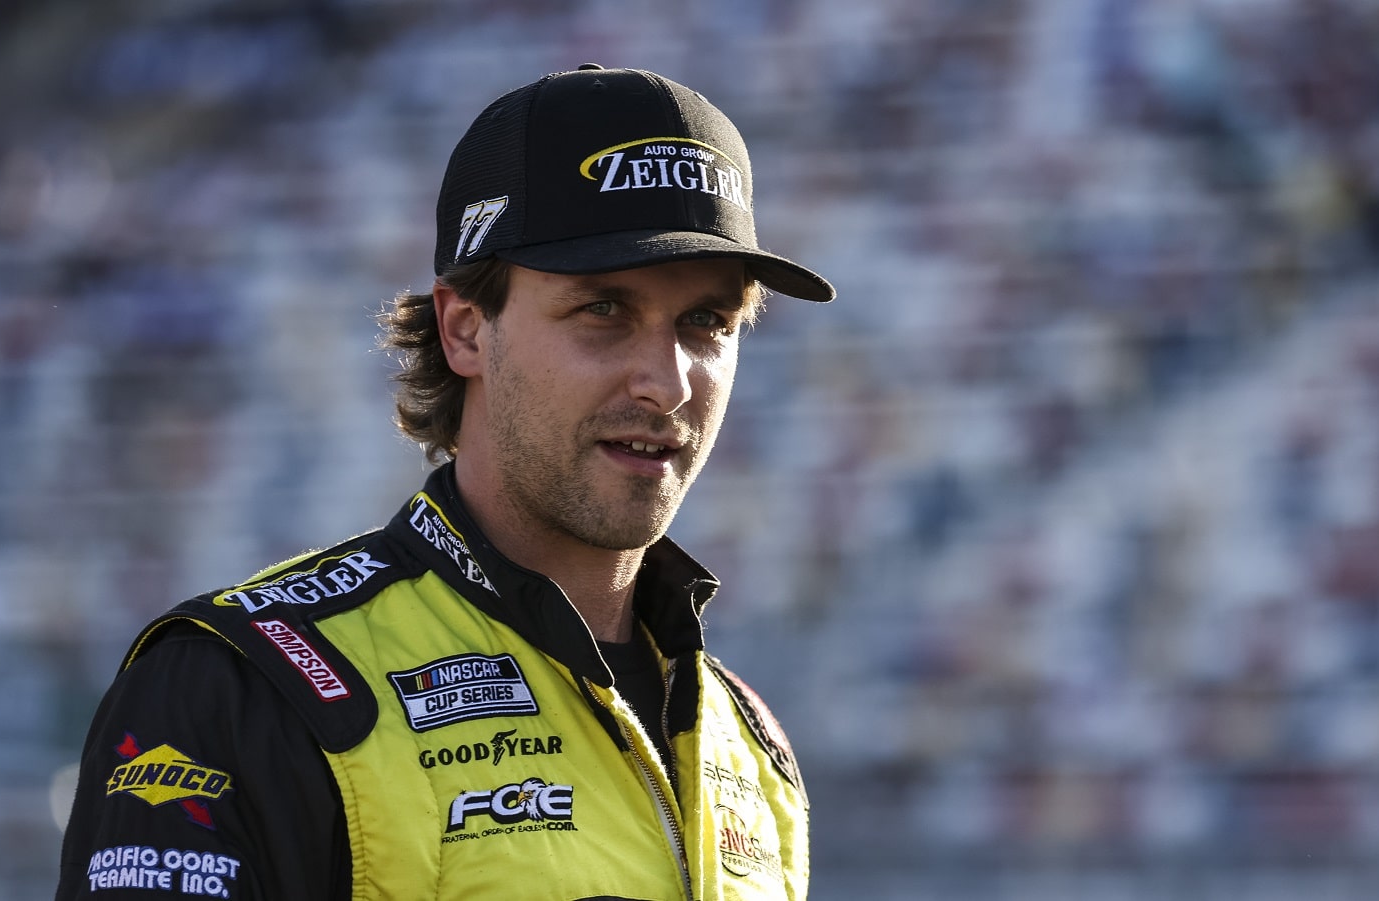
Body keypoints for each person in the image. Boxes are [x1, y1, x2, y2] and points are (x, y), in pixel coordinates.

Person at [56, 63, 835, 900]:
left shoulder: (749, 743)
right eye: (604, 310)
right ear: (465, 328)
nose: (668, 382)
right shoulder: (245, 686)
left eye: (708, 323)